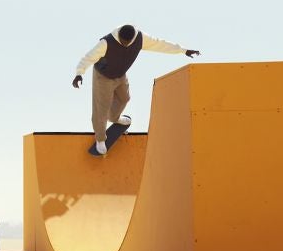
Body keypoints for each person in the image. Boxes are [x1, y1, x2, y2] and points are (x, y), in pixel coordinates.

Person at [72, 24, 201, 154]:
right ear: (119, 37)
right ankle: (100, 139)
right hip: (103, 77)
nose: (126, 44)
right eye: (123, 42)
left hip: (120, 75)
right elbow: (88, 58)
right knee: (101, 108)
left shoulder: (140, 38)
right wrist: (79, 74)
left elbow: (160, 44)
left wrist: (183, 50)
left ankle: (114, 118)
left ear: (133, 38)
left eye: (128, 42)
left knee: (125, 98)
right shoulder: (106, 43)